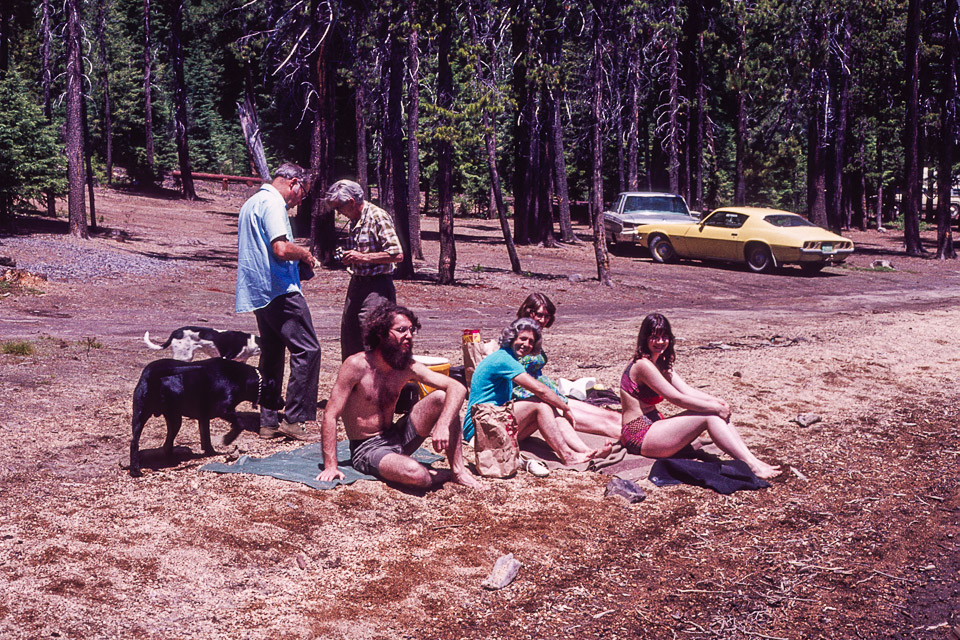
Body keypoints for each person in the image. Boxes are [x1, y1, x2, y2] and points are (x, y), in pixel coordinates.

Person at [317, 302, 483, 490]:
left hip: (397, 436)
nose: (409, 336)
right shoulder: (356, 365)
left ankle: (458, 471)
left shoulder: (405, 366)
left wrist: (443, 424)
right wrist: (331, 466)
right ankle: (438, 475)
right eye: (402, 330)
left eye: (412, 330)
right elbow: (330, 414)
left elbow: (457, 387)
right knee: (417, 474)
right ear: (381, 333)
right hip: (368, 448)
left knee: (441, 397)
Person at [620, 313, 781, 479]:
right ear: (645, 338)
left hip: (654, 426)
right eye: (654, 337)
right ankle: (752, 466)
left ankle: (752, 460)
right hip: (638, 435)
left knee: (717, 410)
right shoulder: (642, 365)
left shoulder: (660, 363)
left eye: (664, 337)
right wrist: (714, 408)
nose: (660, 342)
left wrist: (717, 402)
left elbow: (687, 391)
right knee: (711, 416)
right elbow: (677, 399)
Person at [235, 162, 321, 442]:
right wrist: (305, 254)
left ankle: (268, 421)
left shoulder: (252, 203)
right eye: (303, 193)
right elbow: (281, 248)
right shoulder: (273, 204)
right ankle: (295, 419)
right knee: (308, 349)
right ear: (293, 182)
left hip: (258, 291)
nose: (300, 199)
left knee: (272, 354)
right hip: (280, 290)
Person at [464, 318, 612, 466]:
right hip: (479, 431)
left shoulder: (508, 358)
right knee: (540, 404)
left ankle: (586, 451)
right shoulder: (504, 359)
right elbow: (540, 390)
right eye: (522, 339)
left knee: (547, 407)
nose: (526, 344)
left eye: (530, 341)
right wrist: (565, 407)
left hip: (491, 422)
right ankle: (567, 455)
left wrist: (558, 406)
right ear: (511, 338)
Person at [514, 293, 622, 439]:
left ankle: (648, 432)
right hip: (534, 397)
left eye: (547, 316)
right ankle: (643, 442)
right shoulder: (517, 337)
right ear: (528, 311)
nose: (543, 320)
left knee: (611, 416)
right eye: (539, 315)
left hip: (550, 393)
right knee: (603, 424)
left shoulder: (533, 334)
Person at [324, 179, 403, 361]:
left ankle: (375, 384)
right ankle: (355, 383)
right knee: (350, 335)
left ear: (351, 202)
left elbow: (397, 253)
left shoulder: (377, 216)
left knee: (372, 337)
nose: (339, 213)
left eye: (339, 208)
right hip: (357, 284)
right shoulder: (355, 219)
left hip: (377, 286)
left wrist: (364, 257)